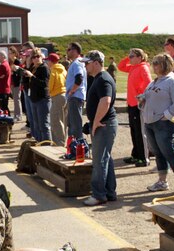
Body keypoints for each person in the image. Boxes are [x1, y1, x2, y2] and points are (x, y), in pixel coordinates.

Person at [140, 54, 174, 194]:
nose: (154, 66)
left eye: (157, 63)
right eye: (153, 63)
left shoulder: (173, 82)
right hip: (150, 122)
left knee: (169, 152)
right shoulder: (155, 81)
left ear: (165, 65)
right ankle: (162, 181)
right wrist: (142, 98)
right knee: (158, 153)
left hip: (164, 123)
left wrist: (165, 116)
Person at [81, 50, 118, 206]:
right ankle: (109, 192)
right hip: (103, 123)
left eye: (87, 63)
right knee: (105, 158)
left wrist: (95, 122)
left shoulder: (103, 79)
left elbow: (106, 101)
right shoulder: (98, 78)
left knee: (99, 160)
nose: (85, 66)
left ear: (96, 63)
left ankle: (98, 194)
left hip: (104, 124)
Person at [118, 48, 152, 167]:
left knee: (140, 132)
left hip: (138, 104)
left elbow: (149, 83)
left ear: (140, 57)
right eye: (130, 56)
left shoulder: (143, 67)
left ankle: (143, 158)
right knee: (134, 130)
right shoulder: (133, 67)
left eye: (132, 56)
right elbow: (121, 66)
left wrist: (141, 93)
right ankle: (136, 155)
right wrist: (128, 57)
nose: (130, 58)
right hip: (131, 103)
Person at [23, 49, 51, 142]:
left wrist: (32, 76)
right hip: (34, 98)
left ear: (41, 57)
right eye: (34, 57)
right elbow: (27, 82)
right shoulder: (33, 67)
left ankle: (46, 144)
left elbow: (44, 84)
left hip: (42, 98)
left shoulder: (44, 68)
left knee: (43, 124)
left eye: (38, 56)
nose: (36, 59)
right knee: (36, 124)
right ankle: (39, 142)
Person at [65, 42, 87, 139]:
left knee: (75, 125)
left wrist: (72, 91)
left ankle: (78, 149)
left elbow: (79, 78)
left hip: (75, 97)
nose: (67, 52)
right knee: (71, 124)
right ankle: (72, 148)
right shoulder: (75, 63)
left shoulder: (77, 63)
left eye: (69, 49)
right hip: (74, 97)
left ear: (75, 51)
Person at [46, 53, 67, 146]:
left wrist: (48, 93)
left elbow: (51, 85)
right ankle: (60, 141)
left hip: (57, 95)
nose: (47, 62)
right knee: (61, 120)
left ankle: (59, 142)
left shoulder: (53, 71)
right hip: (64, 95)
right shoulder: (63, 70)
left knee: (55, 120)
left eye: (48, 60)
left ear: (51, 61)